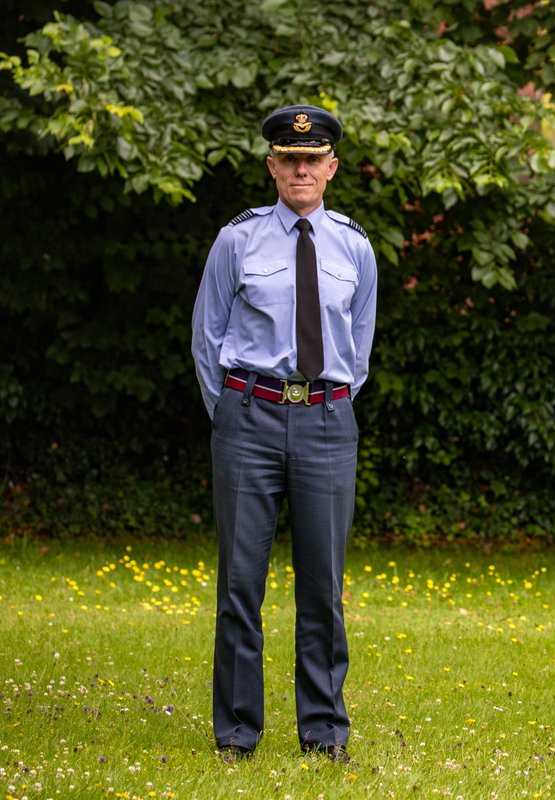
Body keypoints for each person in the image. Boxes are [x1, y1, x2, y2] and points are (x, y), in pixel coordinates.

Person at [191, 105, 378, 763]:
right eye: (288, 158)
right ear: (272, 166)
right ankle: (237, 733)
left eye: (313, 159)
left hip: (328, 423)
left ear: (330, 168)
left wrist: (321, 406)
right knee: (241, 583)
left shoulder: (355, 246)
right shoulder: (236, 241)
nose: (301, 169)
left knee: (323, 586)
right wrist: (237, 413)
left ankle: (324, 732)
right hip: (248, 420)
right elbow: (207, 337)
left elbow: (358, 348)